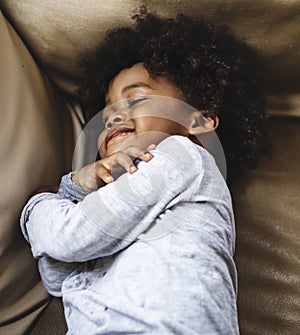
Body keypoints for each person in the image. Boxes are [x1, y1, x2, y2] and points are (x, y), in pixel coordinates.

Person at [20, 9, 270, 335]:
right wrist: (78, 193)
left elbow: (67, 238)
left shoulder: (182, 156)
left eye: (136, 99)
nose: (112, 117)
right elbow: (59, 277)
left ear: (199, 120)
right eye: (106, 111)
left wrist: (40, 204)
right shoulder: (113, 197)